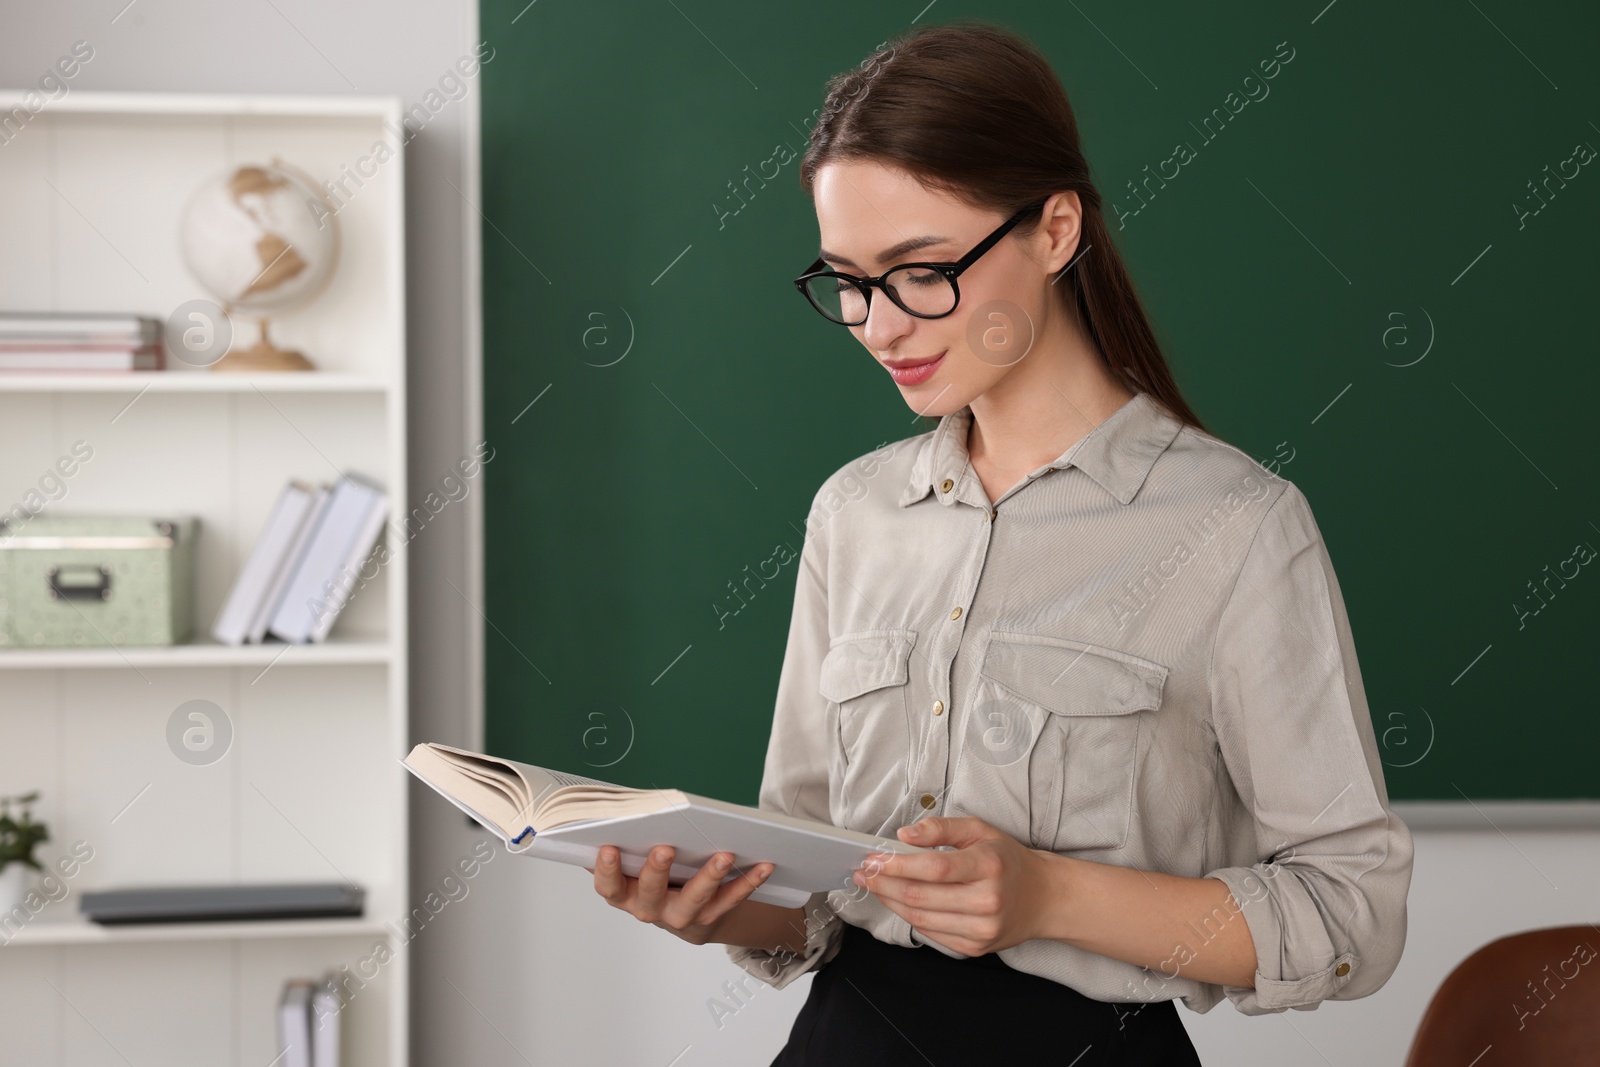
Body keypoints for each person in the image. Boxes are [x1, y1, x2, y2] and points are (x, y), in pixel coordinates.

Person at [587, 19, 1413, 1065]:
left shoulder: (1236, 526)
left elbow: (1352, 915)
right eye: (845, 278)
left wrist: (1049, 893)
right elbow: (812, 896)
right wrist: (710, 905)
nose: (878, 323)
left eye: (918, 270)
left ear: (1055, 229)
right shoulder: (854, 514)